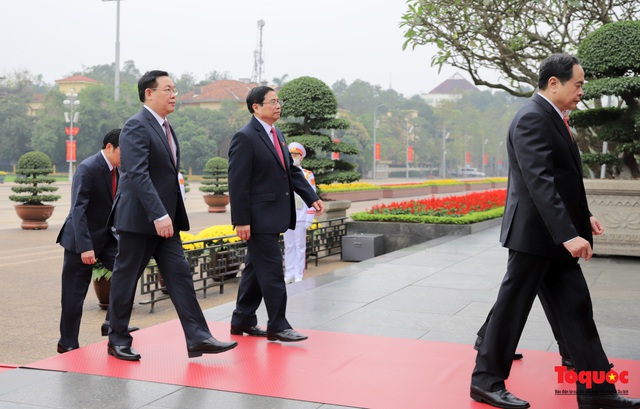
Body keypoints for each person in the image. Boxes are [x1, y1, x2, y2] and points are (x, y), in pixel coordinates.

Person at [470, 54, 640, 409]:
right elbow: (539, 183)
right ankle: (486, 382)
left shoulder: (553, 118)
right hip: (535, 236)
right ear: (553, 83)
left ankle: (598, 393)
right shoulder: (533, 117)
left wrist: (584, 217)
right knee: (511, 309)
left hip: (553, 236)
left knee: (576, 309)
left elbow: (562, 182)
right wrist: (568, 234)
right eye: (577, 85)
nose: (581, 92)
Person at [106, 70, 237, 361]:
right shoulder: (136, 126)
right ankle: (117, 340)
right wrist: (158, 214)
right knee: (126, 279)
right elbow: (136, 174)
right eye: (167, 89)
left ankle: (197, 337)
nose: (174, 94)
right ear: (148, 93)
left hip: (166, 222)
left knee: (180, 276)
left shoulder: (166, 127)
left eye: (174, 89)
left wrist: (168, 215)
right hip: (142, 220)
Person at [228, 85, 324, 342]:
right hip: (258, 219)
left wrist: (311, 196)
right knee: (271, 271)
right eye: (272, 102)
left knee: (254, 270)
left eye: (278, 101)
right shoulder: (245, 137)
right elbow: (237, 182)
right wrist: (241, 220)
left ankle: (242, 319)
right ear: (256, 107)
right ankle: (278, 325)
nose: (278, 105)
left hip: (274, 215)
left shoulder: (277, 134)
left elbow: (290, 171)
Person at [56, 129, 139, 353]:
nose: (127, 156)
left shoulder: (119, 170)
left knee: (129, 270)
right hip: (80, 239)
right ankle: (67, 342)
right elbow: (78, 211)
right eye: (124, 151)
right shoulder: (87, 168)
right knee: (74, 295)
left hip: (107, 237)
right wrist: (85, 247)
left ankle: (112, 323)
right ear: (109, 147)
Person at [283, 142, 316, 283]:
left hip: (301, 215)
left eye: (296, 155)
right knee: (288, 246)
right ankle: (289, 272)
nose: (293, 157)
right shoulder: (284, 173)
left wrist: (309, 217)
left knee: (300, 246)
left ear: (301, 157)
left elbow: (312, 194)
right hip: (287, 215)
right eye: (291, 155)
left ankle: (298, 273)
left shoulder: (307, 175)